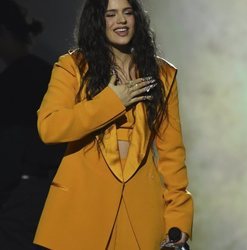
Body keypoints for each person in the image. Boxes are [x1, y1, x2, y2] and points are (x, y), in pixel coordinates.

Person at [33, 0, 194, 249]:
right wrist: (112, 102)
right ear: (98, 21)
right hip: (80, 212)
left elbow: (172, 155)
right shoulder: (73, 67)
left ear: (137, 18)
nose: (121, 21)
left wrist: (179, 218)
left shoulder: (162, 75)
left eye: (127, 13)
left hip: (140, 217)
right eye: (111, 14)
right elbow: (50, 126)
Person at [0, 1, 65, 249]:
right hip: (53, 192)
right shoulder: (50, 73)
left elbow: (10, 149)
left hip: (21, 196)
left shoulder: (11, 83)